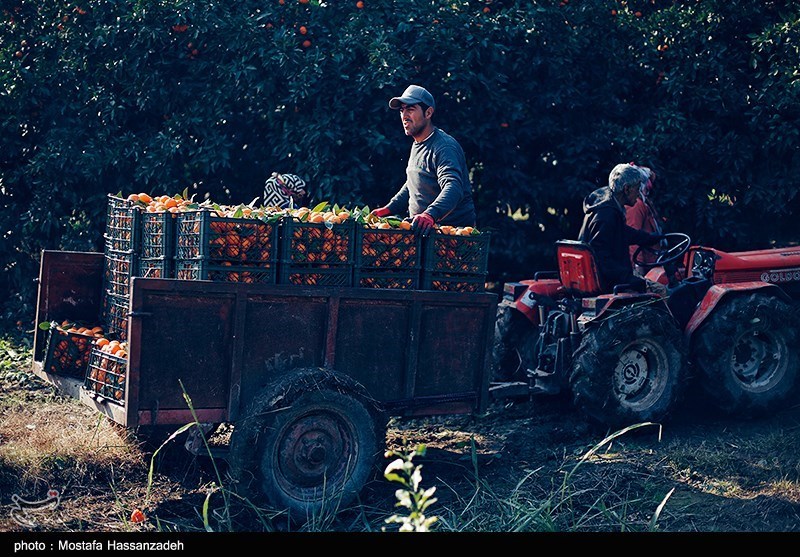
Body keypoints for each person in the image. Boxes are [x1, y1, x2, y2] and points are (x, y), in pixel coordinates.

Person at [371, 84, 476, 235]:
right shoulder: (418, 144)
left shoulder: (444, 147)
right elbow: (415, 181)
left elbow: (453, 187)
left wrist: (430, 214)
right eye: (402, 110)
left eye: (410, 109)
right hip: (424, 233)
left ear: (428, 113)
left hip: (451, 236)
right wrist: (389, 208)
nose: (404, 115)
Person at [578, 163, 664, 294]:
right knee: (662, 292)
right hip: (610, 282)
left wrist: (649, 238)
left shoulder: (608, 206)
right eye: (637, 188)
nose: (639, 193)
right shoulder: (607, 215)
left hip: (610, 277)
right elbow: (600, 257)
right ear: (627, 189)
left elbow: (622, 232)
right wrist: (630, 279)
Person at [626, 164, 664, 276]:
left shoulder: (646, 204)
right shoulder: (636, 206)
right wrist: (639, 272)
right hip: (647, 267)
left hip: (655, 263)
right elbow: (633, 242)